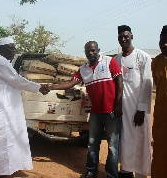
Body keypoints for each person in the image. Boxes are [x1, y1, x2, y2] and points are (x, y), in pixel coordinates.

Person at [47, 41, 123, 178]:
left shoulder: (109, 61)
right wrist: (51, 87)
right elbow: (70, 83)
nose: (91, 53)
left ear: (98, 50)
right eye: (88, 51)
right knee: (92, 143)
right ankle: (91, 171)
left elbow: (120, 81)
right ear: (85, 52)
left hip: (112, 111)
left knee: (113, 145)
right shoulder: (83, 69)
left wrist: (118, 104)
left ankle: (112, 174)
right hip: (96, 112)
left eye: (93, 50)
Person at [0, 37, 47, 177]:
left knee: (4, 140)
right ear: (2, 49)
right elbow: (17, 80)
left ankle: (2, 168)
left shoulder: (1, 62)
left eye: (14, 48)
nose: (14, 51)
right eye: (11, 48)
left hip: (2, 108)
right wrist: (39, 87)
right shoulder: (0, 62)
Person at [115, 25, 153, 178]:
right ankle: (125, 171)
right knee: (124, 142)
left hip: (138, 110)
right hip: (122, 109)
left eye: (126, 36)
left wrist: (142, 109)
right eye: (120, 37)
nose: (123, 39)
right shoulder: (116, 59)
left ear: (131, 37)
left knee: (140, 142)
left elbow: (148, 83)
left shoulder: (143, 57)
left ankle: (141, 174)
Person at [151, 25, 167, 178]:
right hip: (161, 118)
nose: (165, 44)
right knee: (160, 153)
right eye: (162, 41)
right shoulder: (156, 62)